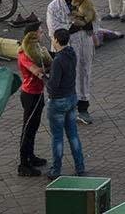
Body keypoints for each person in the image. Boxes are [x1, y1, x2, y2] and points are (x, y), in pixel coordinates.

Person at [44, 27, 86, 179]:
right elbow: (59, 55)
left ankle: (56, 170)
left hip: (58, 101)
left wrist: (42, 77)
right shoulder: (71, 53)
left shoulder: (57, 62)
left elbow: (52, 85)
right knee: (73, 134)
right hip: (71, 97)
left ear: (55, 40)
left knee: (57, 138)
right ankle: (80, 166)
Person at [16, 18, 51, 177]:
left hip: (38, 93)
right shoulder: (25, 54)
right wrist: (54, 66)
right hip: (30, 95)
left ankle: (31, 155)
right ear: (33, 35)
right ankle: (24, 164)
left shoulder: (37, 50)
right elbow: (37, 71)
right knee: (28, 129)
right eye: (40, 32)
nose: (42, 34)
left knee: (34, 127)